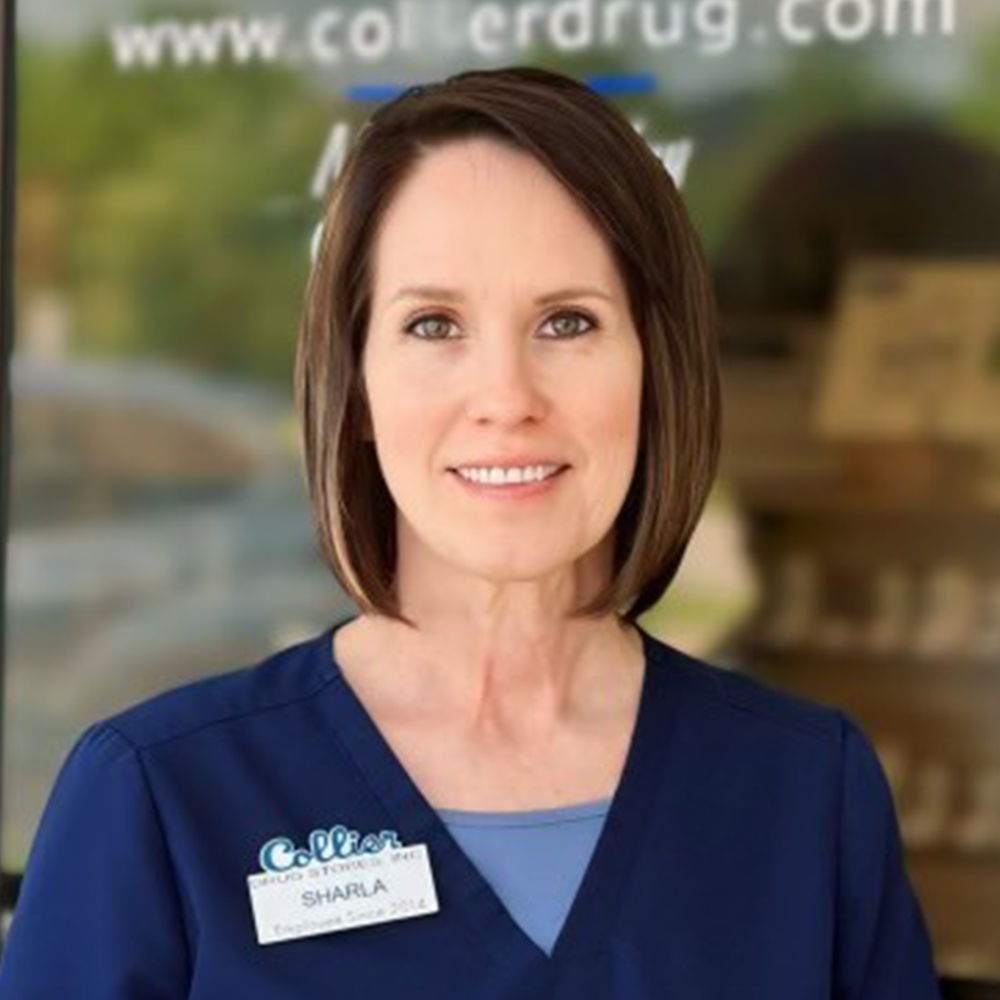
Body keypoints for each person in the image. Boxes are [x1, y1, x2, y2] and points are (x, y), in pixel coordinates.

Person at [0, 65, 943, 999]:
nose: (505, 398)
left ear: (658, 369)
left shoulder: (806, 793)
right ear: (355, 384)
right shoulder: (161, 796)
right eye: (433, 325)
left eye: (567, 322)